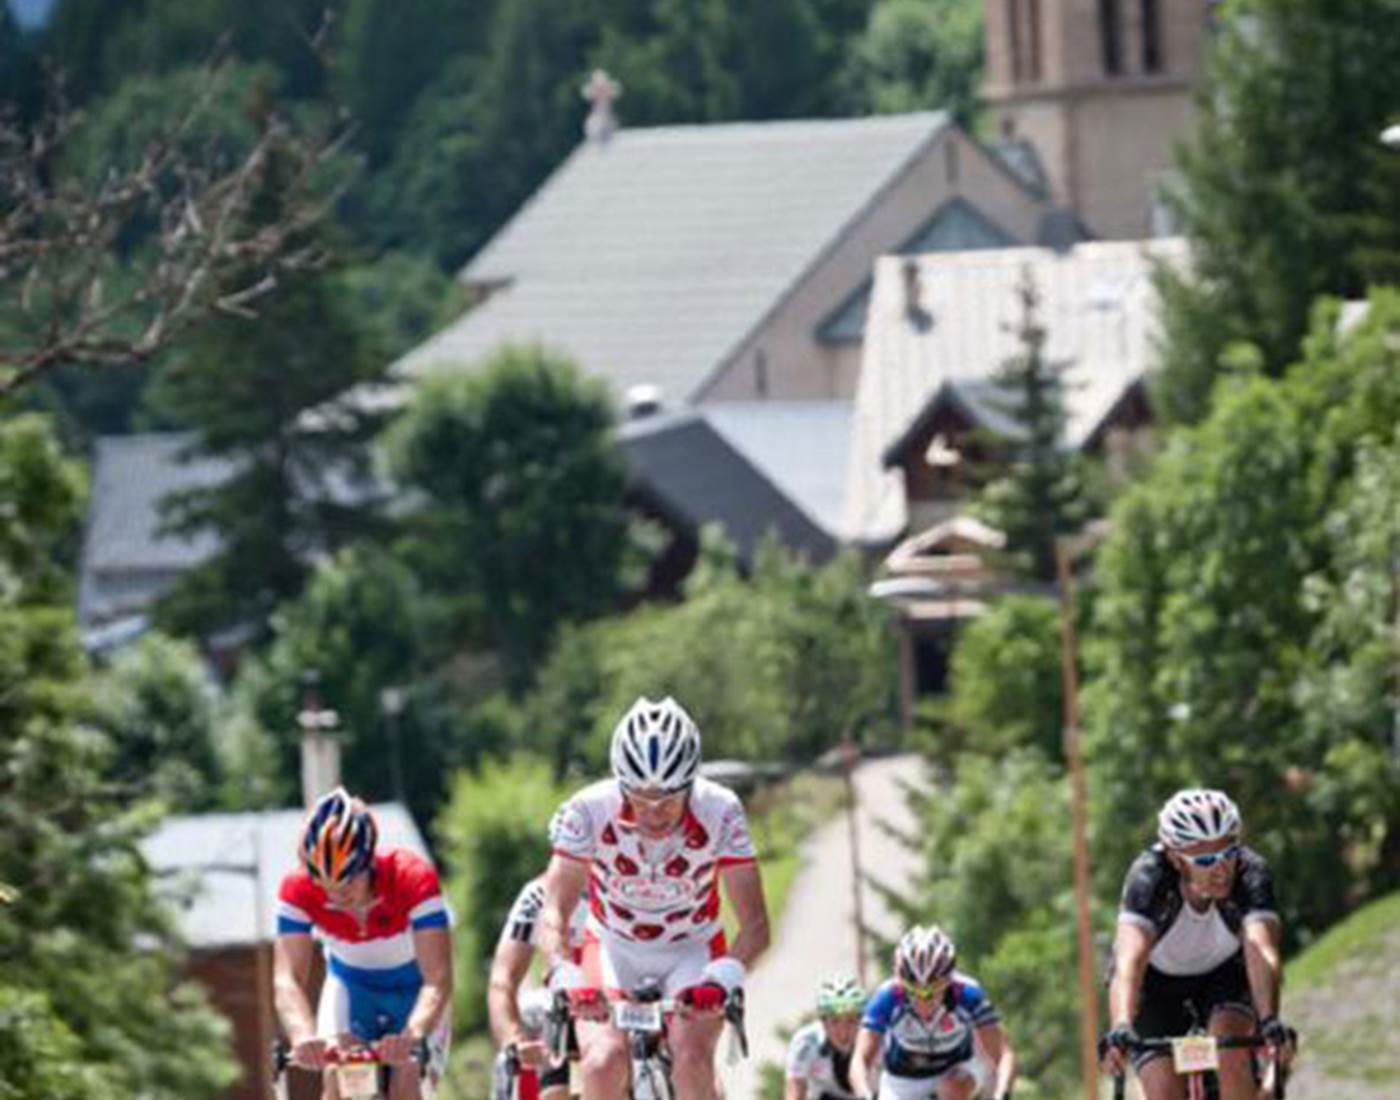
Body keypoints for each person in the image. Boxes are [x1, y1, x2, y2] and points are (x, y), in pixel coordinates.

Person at [537, 696, 771, 1100]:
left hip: (692, 948)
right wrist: (563, 971)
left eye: (669, 800)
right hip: (613, 946)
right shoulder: (587, 810)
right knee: (602, 1062)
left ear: (691, 785)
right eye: (640, 798)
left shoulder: (722, 810)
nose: (654, 812)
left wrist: (723, 978)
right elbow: (553, 911)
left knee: (692, 1060)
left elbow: (755, 926)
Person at [1101, 788, 1291, 1100]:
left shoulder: (1251, 873)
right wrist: (1121, 1025)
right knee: (1163, 1090)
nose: (1221, 868)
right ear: (1176, 859)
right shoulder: (1149, 877)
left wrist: (1269, 1021)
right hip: (1156, 984)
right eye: (1205, 859)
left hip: (1224, 974)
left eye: (1228, 853)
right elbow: (1128, 963)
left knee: (1230, 1050)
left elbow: (1261, 948)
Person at [273, 787, 452, 1100]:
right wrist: (303, 1036)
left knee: (406, 1084)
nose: (336, 894)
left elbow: (437, 979)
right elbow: (287, 979)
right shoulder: (297, 889)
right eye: (323, 884)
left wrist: (413, 1033)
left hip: (415, 989)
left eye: (347, 881)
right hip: (352, 986)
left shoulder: (412, 877)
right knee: (339, 1080)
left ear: (369, 862)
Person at [850, 926, 1015, 1100]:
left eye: (932, 991)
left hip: (956, 1068)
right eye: (913, 992)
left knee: (953, 1089)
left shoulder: (968, 994)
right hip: (903, 1079)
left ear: (948, 981)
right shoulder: (888, 997)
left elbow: (1004, 1054)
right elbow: (860, 1059)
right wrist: (864, 1095)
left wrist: (1002, 1094)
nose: (923, 1000)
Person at [488, 875, 586, 1100]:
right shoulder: (538, 895)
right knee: (555, 1092)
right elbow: (502, 981)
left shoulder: (638, 887)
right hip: (567, 1006)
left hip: (623, 1001)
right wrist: (513, 1038)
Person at [785, 977, 868, 1100]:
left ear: (861, 1020)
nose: (843, 1032)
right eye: (835, 1022)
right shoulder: (805, 1043)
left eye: (851, 1021)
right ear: (823, 1022)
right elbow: (794, 1092)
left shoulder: (881, 1038)